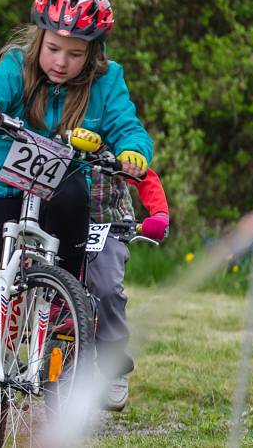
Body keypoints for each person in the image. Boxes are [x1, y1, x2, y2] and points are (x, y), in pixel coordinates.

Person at [0, 0, 153, 445]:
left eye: (74, 53)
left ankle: (65, 303)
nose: (61, 61)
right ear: (37, 39)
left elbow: (130, 127)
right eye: (53, 48)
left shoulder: (108, 82)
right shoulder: (16, 68)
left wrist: (132, 152)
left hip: (61, 185)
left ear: (93, 53)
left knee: (72, 203)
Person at [87, 166, 169, 412]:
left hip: (108, 225)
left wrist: (159, 214)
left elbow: (146, 176)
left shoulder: (116, 135)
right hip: (58, 220)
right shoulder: (52, 129)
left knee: (107, 289)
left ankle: (114, 367)